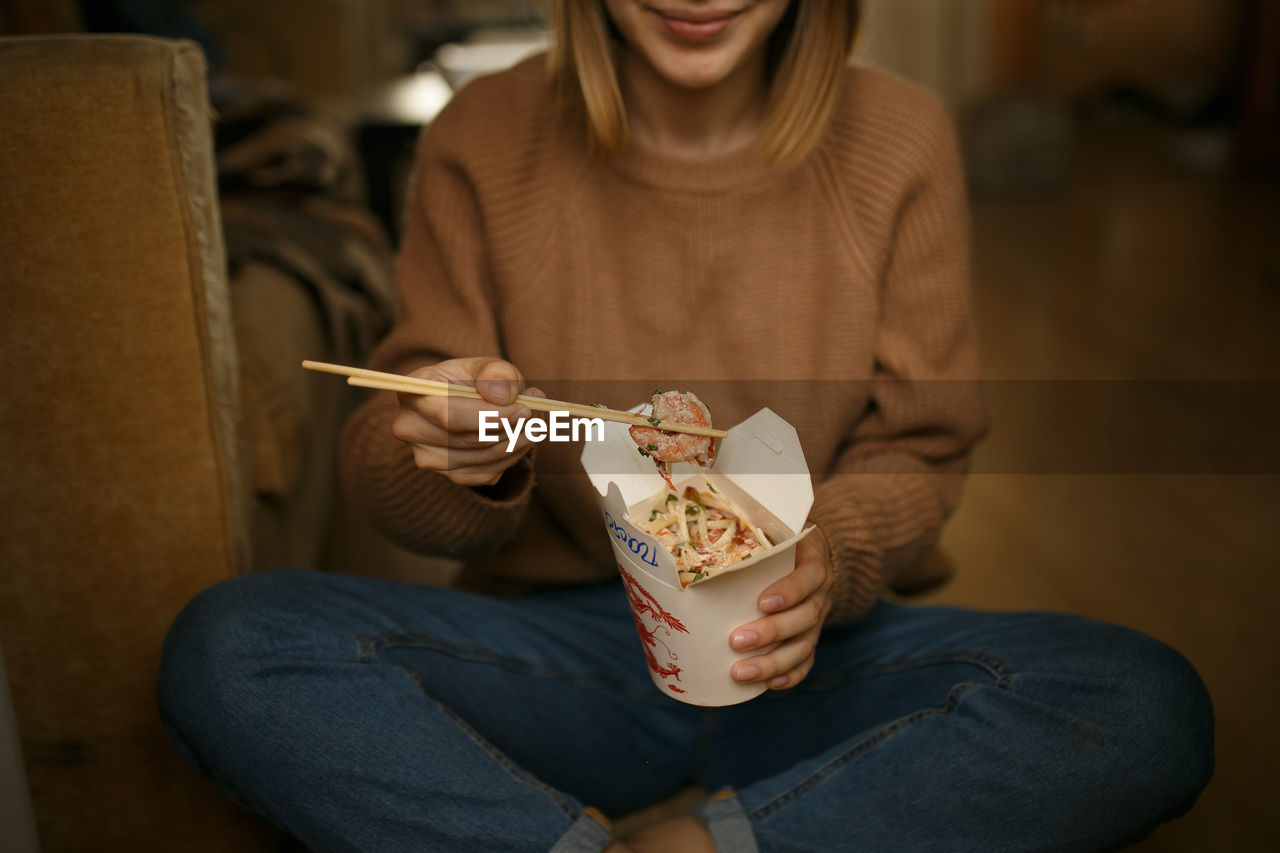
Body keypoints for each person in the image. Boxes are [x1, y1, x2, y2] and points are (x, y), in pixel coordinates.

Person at [158, 1, 1214, 850]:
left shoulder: (898, 135)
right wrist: (460, 454)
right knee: (231, 646)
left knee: (1138, 703)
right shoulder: (481, 133)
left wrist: (826, 554)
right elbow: (388, 475)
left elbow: (921, 447)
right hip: (569, 655)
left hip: (810, 652)